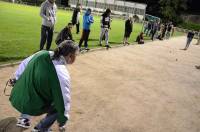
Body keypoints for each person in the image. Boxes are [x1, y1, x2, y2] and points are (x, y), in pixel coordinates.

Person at [9, 40, 79, 132]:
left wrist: (16, 79)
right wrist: (62, 121)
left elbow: (24, 64)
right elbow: (63, 101)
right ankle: (41, 129)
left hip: (17, 95)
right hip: (31, 104)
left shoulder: (42, 53)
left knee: (32, 84)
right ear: (70, 56)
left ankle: (24, 118)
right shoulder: (61, 73)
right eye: (76, 55)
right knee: (57, 106)